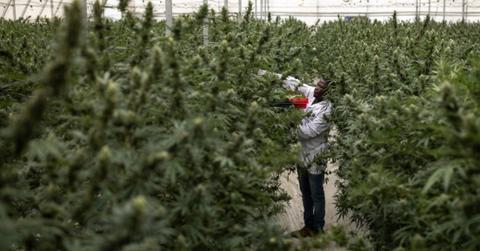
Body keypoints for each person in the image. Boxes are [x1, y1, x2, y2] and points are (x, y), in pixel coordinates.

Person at [258, 70, 332, 237]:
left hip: (316, 155)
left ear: (329, 92)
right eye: (318, 85)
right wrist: (264, 74)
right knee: (305, 192)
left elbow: (307, 132)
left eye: (322, 87)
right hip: (301, 153)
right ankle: (307, 227)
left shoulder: (327, 110)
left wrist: (290, 121)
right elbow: (292, 82)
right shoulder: (311, 95)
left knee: (316, 194)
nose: (317, 89)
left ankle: (318, 228)